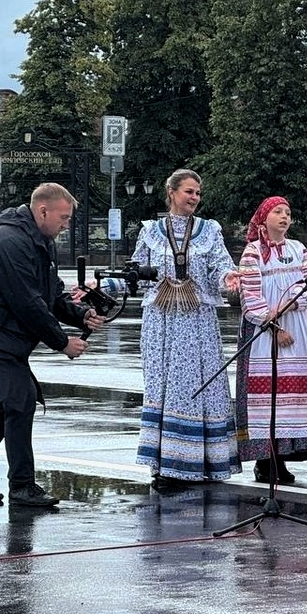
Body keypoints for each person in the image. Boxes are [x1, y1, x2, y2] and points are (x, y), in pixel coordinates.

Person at [0, 183, 103, 508]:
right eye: (64, 217)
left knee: (11, 402)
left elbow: (50, 294)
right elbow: (27, 302)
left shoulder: (38, 241)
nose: (66, 225)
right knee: (19, 398)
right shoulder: (9, 242)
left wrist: (82, 316)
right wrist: (63, 343)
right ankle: (22, 487)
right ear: (43, 211)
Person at [113, 169, 241, 488]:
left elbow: (220, 264)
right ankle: (166, 465)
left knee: (197, 385)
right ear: (171, 192)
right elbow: (137, 273)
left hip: (197, 319)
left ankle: (202, 462)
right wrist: (104, 285)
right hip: (161, 319)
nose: (195, 197)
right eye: (189, 191)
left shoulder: (209, 230)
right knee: (162, 385)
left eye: (198, 192)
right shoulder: (151, 231)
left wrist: (228, 277)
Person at [234, 196, 307, 485]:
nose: (285, 217)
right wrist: (274, 327)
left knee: (292, 395)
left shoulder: (298, 249)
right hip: (264, 331)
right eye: (278, 212)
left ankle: (283, 457)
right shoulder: (252, 253)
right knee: (267, 397)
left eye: (288, 212)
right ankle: (265, 460)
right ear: (264, 218)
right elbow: (250, 297)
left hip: (296, 327)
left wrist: (292, 304)